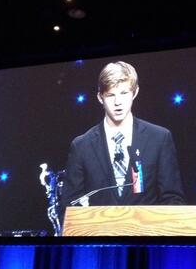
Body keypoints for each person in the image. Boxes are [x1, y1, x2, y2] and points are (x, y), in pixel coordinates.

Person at [61, 61, 185, 210]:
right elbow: (69, 209)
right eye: (111, 95)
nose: (118, 102)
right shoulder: (81, 146)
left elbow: (172, 200)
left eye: (124, 93)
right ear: (100, 98)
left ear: (135, 92)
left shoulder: (159, 138)